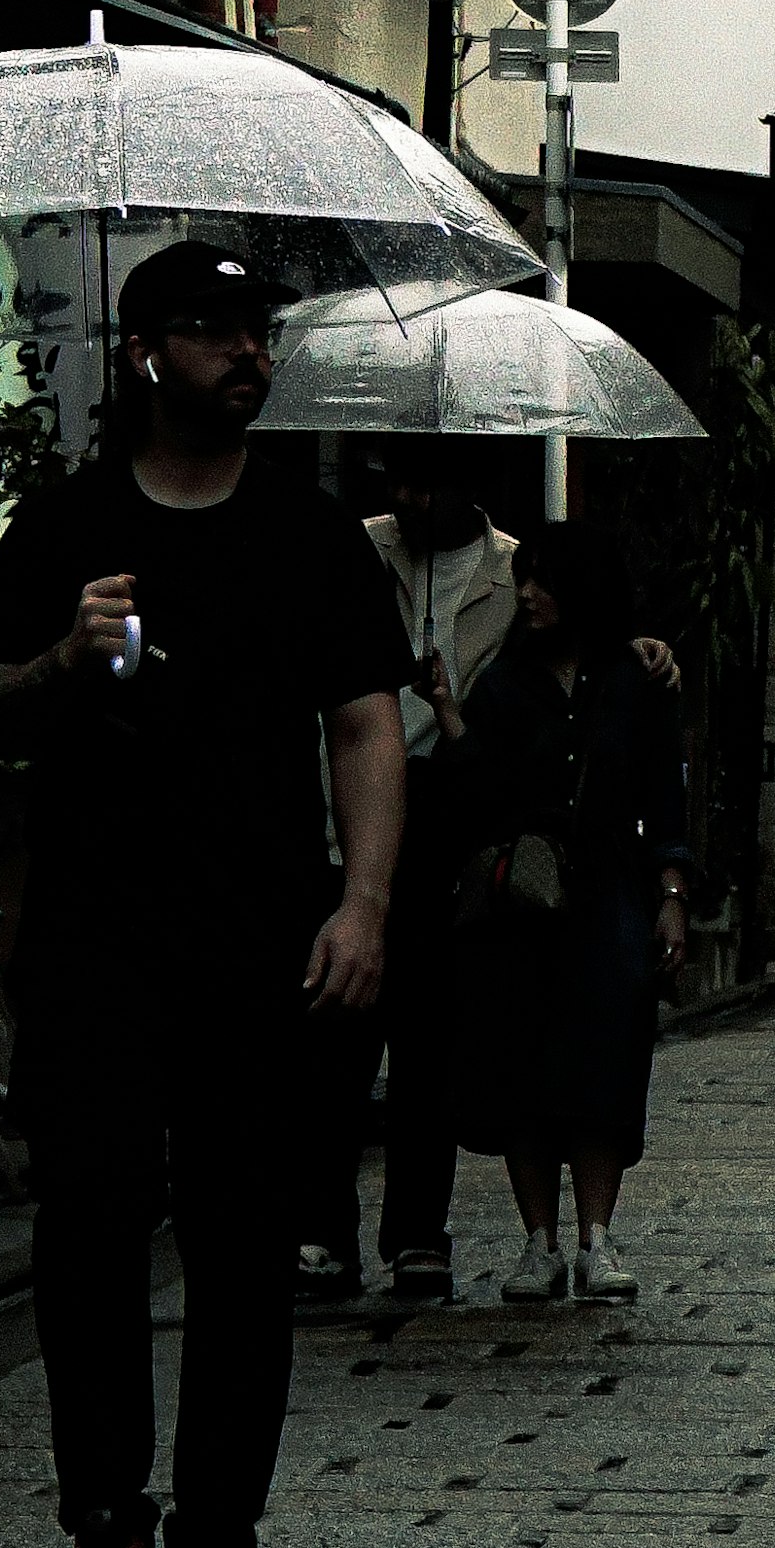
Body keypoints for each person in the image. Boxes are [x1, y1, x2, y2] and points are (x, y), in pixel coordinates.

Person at [0, 237, 407, 1548]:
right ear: (148, 352)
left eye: (258, 330)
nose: (248, 355)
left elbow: (364, 723)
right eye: (216, 331)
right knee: (86, 1227)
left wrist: (365, 903)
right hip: (93, 939)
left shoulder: (309, 532)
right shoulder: (67, 525)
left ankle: (220, 1537)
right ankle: (106, 1522)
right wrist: (57, 665)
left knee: (241, 1247)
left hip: (258, 937)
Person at [296, 451, 521, 1310]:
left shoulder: (508, 573)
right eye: (398, 480)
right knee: (331, 1038)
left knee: (428, 1040)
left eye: (427, 481)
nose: (409, 498)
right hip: (347, 818)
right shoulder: (358, 551)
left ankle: (419, 1233)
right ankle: (322, 1228)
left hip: (447, 825)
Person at [453, 515, 696, 1302]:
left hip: (610, 897)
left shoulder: (634, 680)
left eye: (545, 581)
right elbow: (478, 793)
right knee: (524, 1066)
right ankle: (538, 1243)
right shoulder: (500, 684)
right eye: (525, 580)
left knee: (606, 1065)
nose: (528, 595)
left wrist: (671, 898)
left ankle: (597, 1236)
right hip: (524, 903)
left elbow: (667, 797)